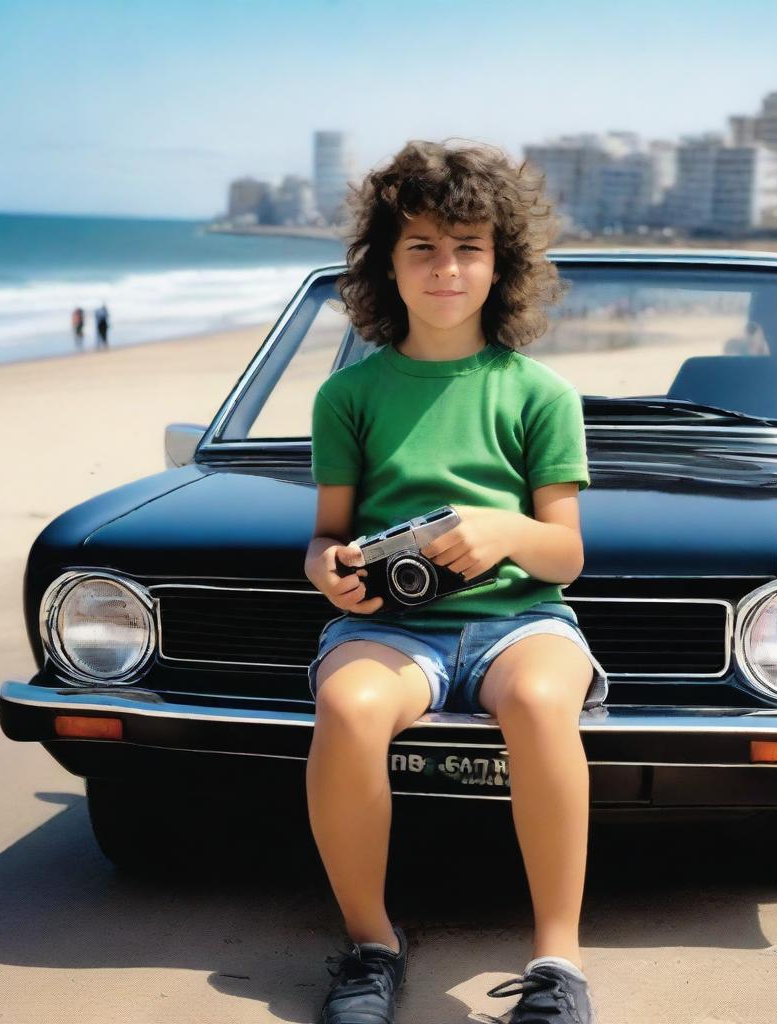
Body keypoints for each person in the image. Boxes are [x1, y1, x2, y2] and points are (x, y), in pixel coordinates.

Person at [303, 140, 605, 1024]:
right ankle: (371, 946)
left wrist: (505, 530)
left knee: (547, 701)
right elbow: (326, 536)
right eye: (422, 248)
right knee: (350, 708)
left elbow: (565, 557)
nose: (446, 268)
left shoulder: (540, 393)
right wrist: (330, 571)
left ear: (500, 262)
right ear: (384, 267)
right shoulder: (347, 398)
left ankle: (558, 962)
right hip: (393, 631)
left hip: (523, 622)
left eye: (468, 246)